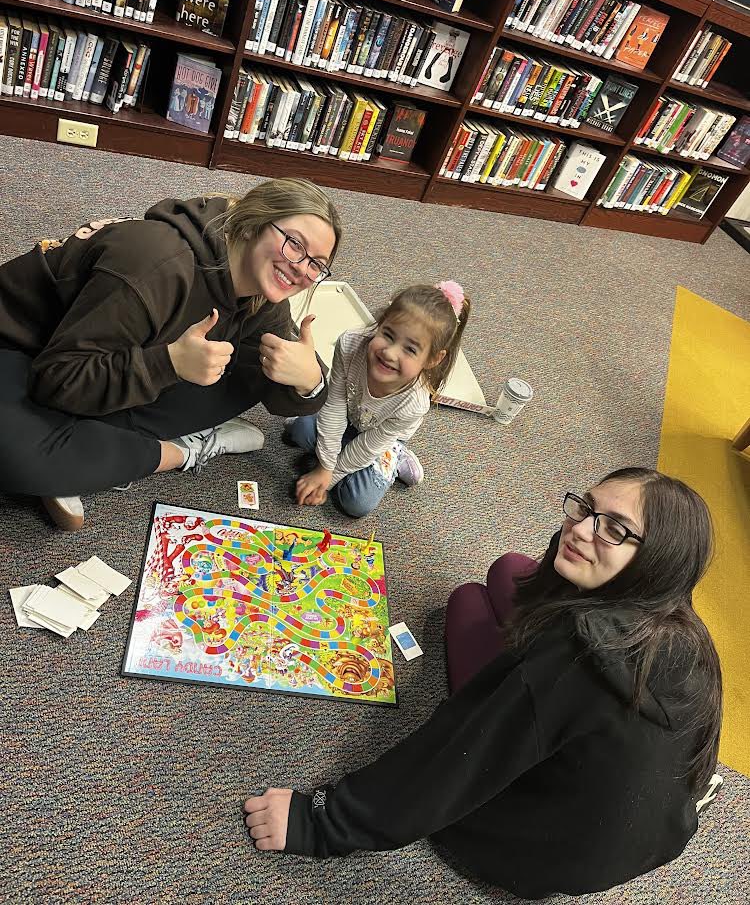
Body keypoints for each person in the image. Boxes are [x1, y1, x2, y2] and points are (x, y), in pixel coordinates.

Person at [243, 468, 723, 899]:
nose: (578, 529)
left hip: (527, 849)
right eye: (586, 507)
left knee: (468, 602)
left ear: (658, 559)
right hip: (639, 830)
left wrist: (322, 821)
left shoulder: (576, 660)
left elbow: (455, 758)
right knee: (509, 570)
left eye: (614, 529)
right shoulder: (683, 631)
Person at [0, 177, 342, 531]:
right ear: (254, 222)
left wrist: (310, 382)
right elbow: (55, 378)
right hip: (22, 346)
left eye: (316, 264)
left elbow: (283, 395)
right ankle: (182, 451)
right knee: (14, 455)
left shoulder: (263, 294)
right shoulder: (157, 264)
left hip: (100, 357)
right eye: (294, 245)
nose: (302, 268)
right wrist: (169, 363)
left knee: (265, 363)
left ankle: (86, 449)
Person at [285, 281, 470, 518]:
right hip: (350, 416)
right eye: (388, 335)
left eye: (410, 349)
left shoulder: (415, 402)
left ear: (433, 359)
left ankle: (397, 454)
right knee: (299, 431)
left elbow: (369, 445)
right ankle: (338, 450)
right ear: (380, 323)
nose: (390, 353)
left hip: (380, 437)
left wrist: (327, 477)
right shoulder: (350, 344)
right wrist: (324, 466)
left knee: (356, 503)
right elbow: (334, 407)